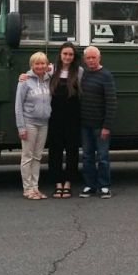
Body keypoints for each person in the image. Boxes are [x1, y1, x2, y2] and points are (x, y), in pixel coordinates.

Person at [79, 45, 117, 199]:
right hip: (85, 124)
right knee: (87, 156)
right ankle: (90, 185)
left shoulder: (106, 75)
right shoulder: (83, 75)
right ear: (84, 60)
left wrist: (106, 126)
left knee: (102, 157)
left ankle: (104, 186)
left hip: (100, 125)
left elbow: (111, 102)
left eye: (94, 57)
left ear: (99, 58)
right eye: (88, 58)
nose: (91, 60)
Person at [47, 43, 83, 198]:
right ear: (60, 55)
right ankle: (57, 183)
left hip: (73, 117)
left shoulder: (79, 72)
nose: (67, 57)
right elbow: (35, 73)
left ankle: (68, 182)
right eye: (65, 54)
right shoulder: (52, 70)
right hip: (55, 117)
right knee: (55, 150)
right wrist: (24, 76)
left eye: (70, 54)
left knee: (72, 151)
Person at [15, 52, 52, 200]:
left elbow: (62, 66)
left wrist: (51, 67)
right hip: (29, 123)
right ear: (32, 65)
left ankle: (35, 188)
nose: (40, 66)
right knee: (27, 157)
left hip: (43, 123)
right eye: (37, 63)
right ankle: (27, 188)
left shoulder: (48, 80)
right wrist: (21, 127)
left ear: (47, 65)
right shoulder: (24, 81)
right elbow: (18, 105)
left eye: (43, 63)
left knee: (37, 157)